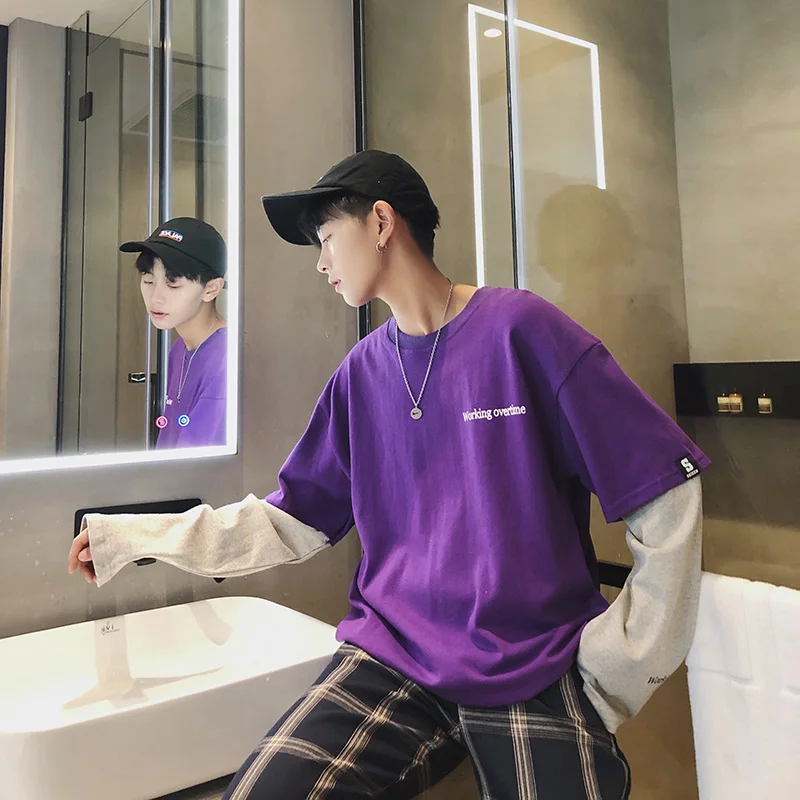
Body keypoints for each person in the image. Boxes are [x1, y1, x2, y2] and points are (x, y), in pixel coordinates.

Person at [70, 150, 709, 799]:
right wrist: (134, 537)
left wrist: (622, 662)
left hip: (534, 662)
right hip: (393, 658)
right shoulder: (360, 374)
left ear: (380, 222)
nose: (320, 261)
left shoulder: (521, 331)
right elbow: (289, 521)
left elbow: (663, 481)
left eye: (326, 238)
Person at [120, 217, 228, 448]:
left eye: (173, 284)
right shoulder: (179, 348)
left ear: (211, 289)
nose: (156, 298)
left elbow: (198, 461)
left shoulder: (225, 360)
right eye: (148, 281)